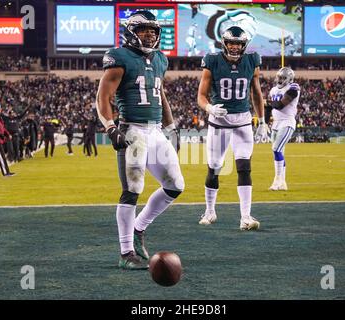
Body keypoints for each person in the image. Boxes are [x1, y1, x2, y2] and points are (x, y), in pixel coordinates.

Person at [96, 11, 184, 270]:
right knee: (132, 190)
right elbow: (103, 96)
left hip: (155, 130)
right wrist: (111, 127)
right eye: (145, 30)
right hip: (132, 131)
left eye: (154, 31)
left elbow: (161, 94)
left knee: (175, 185)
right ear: (132, 31)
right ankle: (126, 252)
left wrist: (172, 127)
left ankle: (139, 226)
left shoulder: (159, 59)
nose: (151, 35)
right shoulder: (119, 56)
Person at [197, 26, 268, 230]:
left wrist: (262, 120)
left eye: (238, 43)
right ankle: (210, 211)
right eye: (231, 43)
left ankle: (245, 216)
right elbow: (201, 96)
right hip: (219, 121)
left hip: (243, 120)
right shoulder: (212, 60)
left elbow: (256, 92)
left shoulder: (252, 60)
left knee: (244, 167)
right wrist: (209, 107)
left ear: (244, 45)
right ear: (224, 43)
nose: (235, 47)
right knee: (215, 167)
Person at [266, 67, 301, 191]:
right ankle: (283, 183)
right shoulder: (273, 90)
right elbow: (268, 108)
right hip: (276, 123)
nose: (280, 80)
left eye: (283, 78)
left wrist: (268, 103)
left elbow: (280, 105)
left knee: (276, 149)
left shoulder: (293, 88)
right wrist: (264, 123)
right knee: (278, 151)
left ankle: (277, 180)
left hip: (287, 122)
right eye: (279, 77)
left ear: (289, 79)